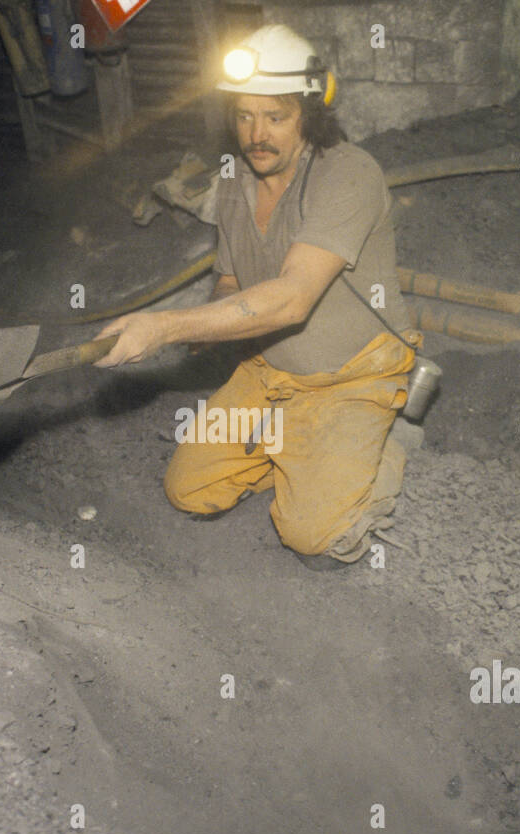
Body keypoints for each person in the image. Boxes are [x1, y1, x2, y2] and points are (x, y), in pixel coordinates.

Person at [93, 23, 421, 570]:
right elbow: (231, 280)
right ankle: (301, 451)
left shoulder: (349, 174)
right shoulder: (234, 183)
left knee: (313, 538)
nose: (256, 133)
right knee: (190, 490)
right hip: (269, 373)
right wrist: (213, 319)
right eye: (244, 115)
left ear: (310, 114)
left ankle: (383, 449)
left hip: (352, 378)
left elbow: (292, 300)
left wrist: (167, 326)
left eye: (276, 115)